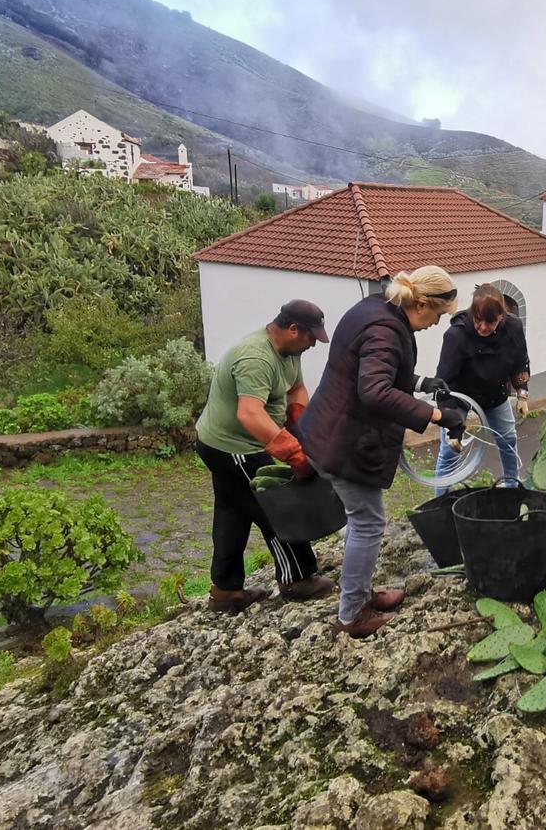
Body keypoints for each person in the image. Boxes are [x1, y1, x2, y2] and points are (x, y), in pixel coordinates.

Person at [297, 266, 464, 638]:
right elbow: (374, 390)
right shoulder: (385, 328)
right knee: (368, 523)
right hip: (344, 442)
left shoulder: (377, 307)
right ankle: (351, 615)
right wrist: (438, 415)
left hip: (331, 431)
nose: (436, 323)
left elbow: (375, 369)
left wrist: (420, 382)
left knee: (363, 522)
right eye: (437, 314)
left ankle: (360, 594)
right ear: (421, 303)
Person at [194, 299, 335, 613]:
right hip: (234, 448)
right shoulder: (256, 357)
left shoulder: (289, 351)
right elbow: (250, 415)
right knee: (277, 508)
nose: (313, 343)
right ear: (292, 328)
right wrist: (295, 454)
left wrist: (301, 423)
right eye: (311, 336)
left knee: (233, 512)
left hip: (225, 443)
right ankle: (297, 580)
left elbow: (296, 388)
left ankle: (225, 591)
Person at [433, 283, 530, 494]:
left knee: (508, 439)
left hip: (495, 392)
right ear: (472, 314)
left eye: (491, 322)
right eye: (478, 321)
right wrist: (451, 424)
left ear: (501, 317)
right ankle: (439, 502)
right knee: (450, 450)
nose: (484, 327)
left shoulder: (513, 327)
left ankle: (511, 487)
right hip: (458, 396)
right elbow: (444, 382)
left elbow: (520, 359)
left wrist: (522, 393)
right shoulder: (455, 336)